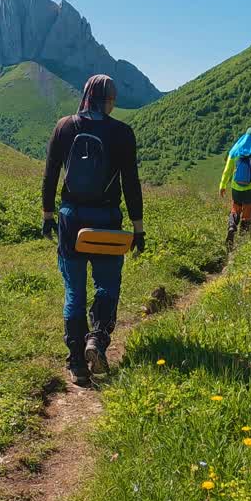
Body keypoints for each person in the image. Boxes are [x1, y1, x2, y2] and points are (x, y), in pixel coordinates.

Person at [42, 74, 145, 387]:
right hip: (107, 220)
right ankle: (96, 341)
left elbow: (49, 175)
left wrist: (48, 215)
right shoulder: (122, 133)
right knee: (107, 286)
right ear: (110, 100)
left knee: (74, 291)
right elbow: (131, 184)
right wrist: (138, 228)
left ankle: (76, 364)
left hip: (71, 219)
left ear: (86, 95)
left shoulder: (64, 126)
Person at [219, 127, 251, 246]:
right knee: (247, 213)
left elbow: (227, 171)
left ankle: (231, 226)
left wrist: (222, 185)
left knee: (235, 209)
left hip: (236, 188)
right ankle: (242, 241)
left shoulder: (234, 151)